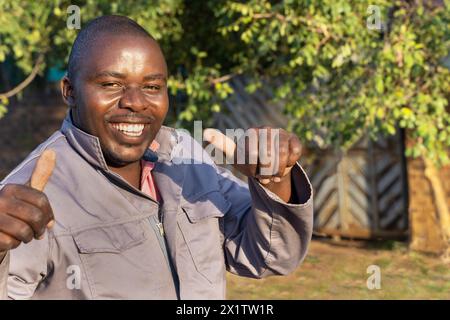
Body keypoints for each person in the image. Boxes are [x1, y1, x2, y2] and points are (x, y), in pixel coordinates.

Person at [0, 15, 313, 299]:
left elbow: (269, 256)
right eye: (110, 84)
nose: (135, 102)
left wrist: (275, 177)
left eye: (151, 86)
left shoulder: (185, 156)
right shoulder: (28, 198)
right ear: (70, 91)